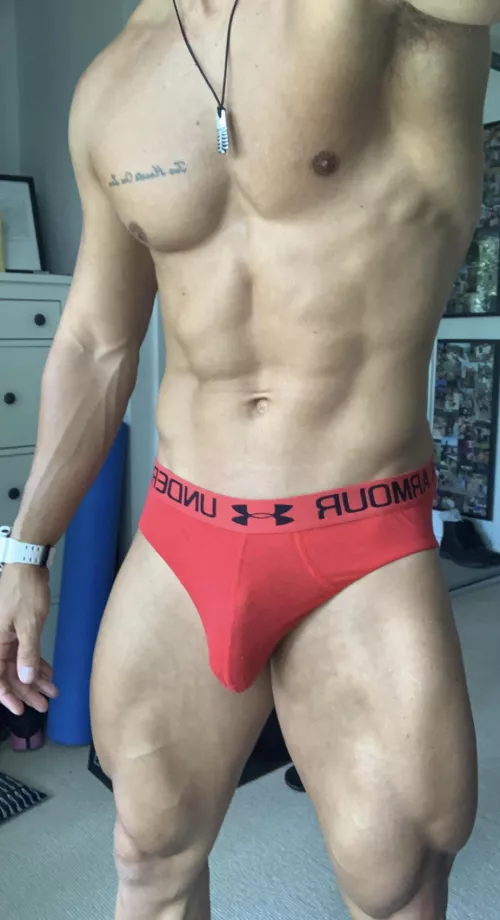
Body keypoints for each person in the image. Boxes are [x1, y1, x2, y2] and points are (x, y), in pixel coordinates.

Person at [0, 1, 496, 917]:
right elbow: (97, 342)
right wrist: (24, 549)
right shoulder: (112, 84)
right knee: (147, 855)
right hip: (181, 533)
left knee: (398, 881)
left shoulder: (393, 16)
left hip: (361, 535)